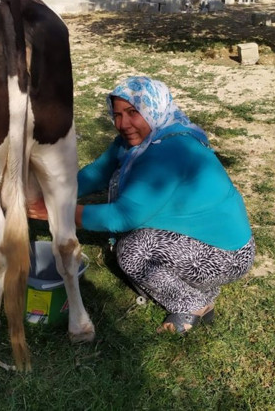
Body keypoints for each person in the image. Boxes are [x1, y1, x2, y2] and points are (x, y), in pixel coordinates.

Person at [28, 76, 254, 335]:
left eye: (133, 112)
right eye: (117, 115)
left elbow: (122, 217)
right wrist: (54, 193)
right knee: (136, 243)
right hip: (211, 242)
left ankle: (193, 304)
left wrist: (56, 212)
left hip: (229, 256)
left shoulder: (169, 150)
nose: (122, 124)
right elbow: (97, 173)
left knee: (133, 252)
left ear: (153, 107)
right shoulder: (143, 139)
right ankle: (200, 287)